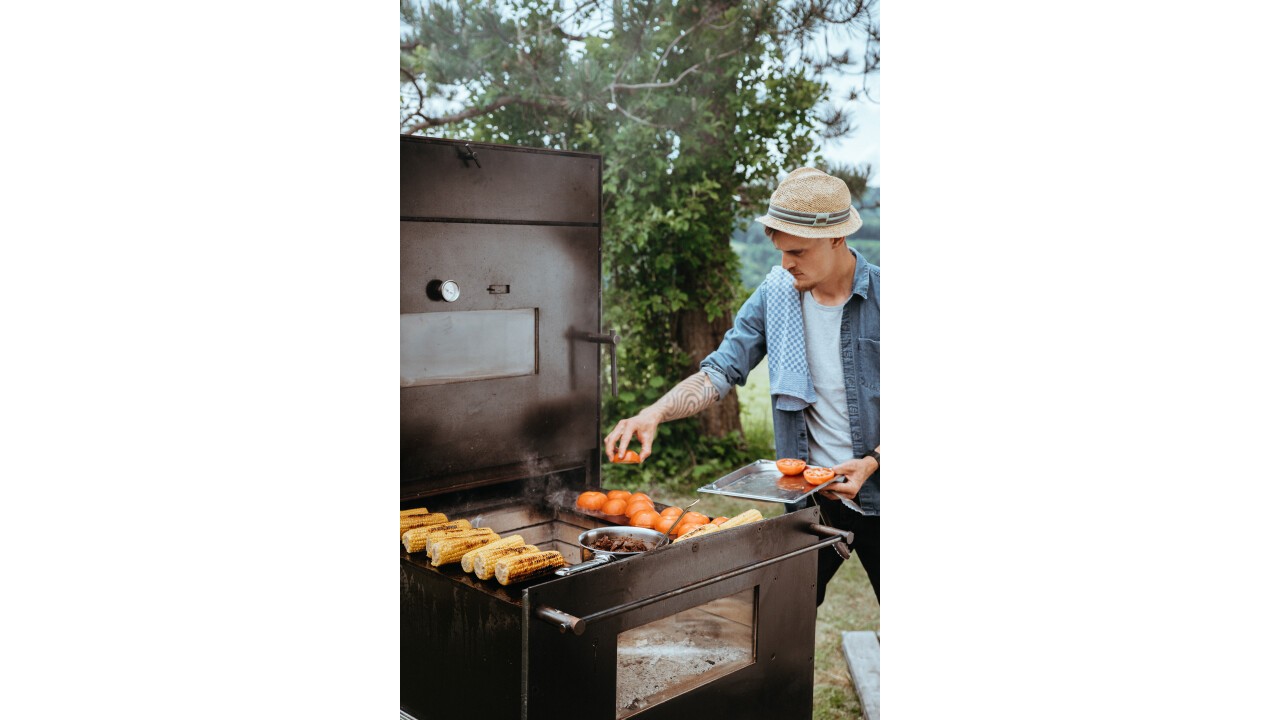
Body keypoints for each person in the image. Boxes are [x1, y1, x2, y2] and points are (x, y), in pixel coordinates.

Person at [603, 166, 880, 604]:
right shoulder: (778, 295)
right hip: (810, 498)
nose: (785, 263)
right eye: (780, 251)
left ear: (836, 237)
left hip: (883, 492)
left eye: (798, 251)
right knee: (785, 614)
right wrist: (653, 411)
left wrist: (872, 462)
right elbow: (720, 370)